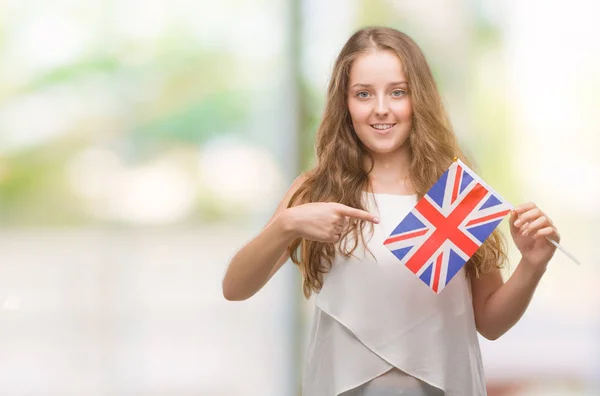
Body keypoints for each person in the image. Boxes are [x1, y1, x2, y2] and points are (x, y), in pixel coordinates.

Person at [221, 26, 560, 396]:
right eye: (363, 94)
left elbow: (490, 323)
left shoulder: (454, 195)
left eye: (398, 92)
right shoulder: (317, 190)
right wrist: (285, 225)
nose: (381, 108)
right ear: (344, 103)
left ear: (419, 99)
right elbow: (235, 288)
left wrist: (532, 265)